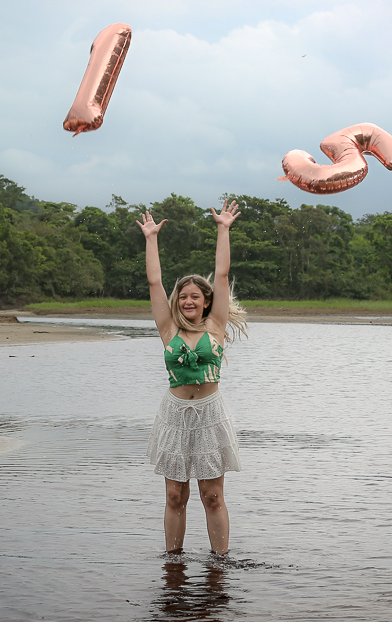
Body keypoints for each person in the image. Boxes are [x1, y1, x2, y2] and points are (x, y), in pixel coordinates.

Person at [137, 199, 248, 555]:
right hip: (174, 415)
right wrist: (151, 238)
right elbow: (154, 282)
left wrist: (223, 229)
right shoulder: (168, 329)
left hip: (210, 413)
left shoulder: (215, 326)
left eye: (195, 296)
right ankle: (173, 563)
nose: (188, 301)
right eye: (183, 296)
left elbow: (221, 275)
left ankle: (221, 563)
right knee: (175, 495)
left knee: (212, 495)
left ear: (205, 302)